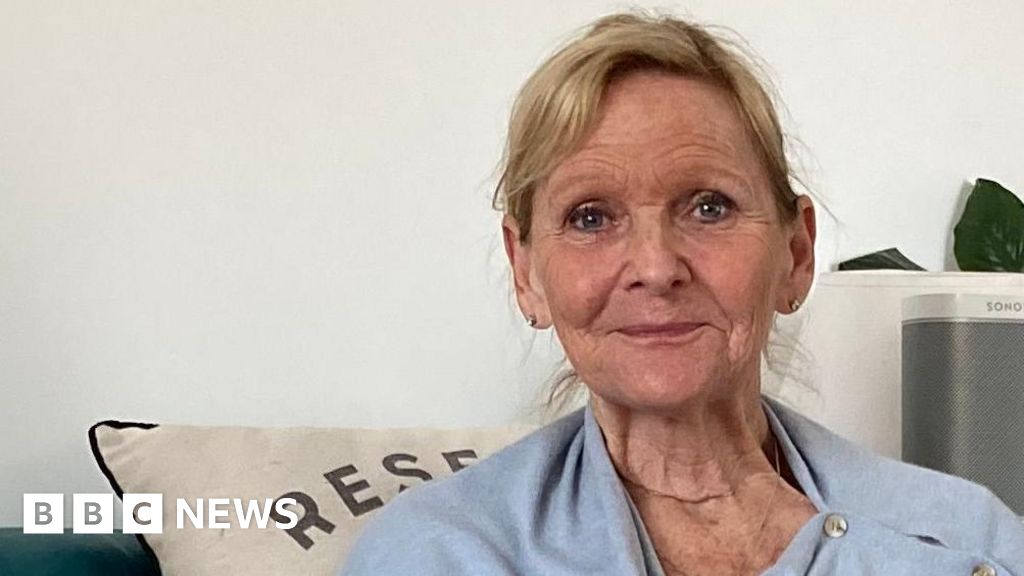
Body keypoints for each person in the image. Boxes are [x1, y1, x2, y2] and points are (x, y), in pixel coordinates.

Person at [340, 12, 1024, 575]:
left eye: (708, 207)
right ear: (527, 274)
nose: (655, 267)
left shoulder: (968, 540)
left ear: (795, 253)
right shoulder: (438, 553)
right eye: (590, 218)